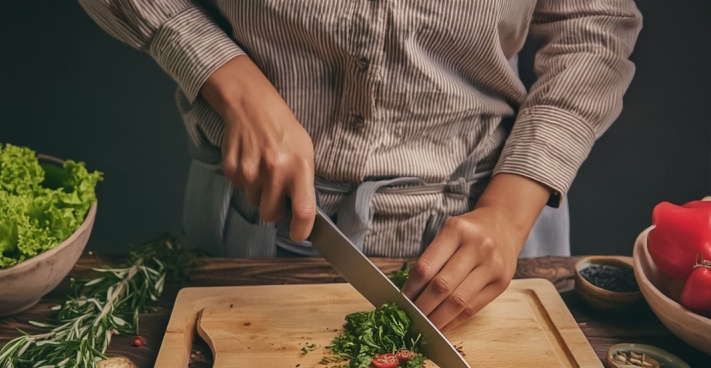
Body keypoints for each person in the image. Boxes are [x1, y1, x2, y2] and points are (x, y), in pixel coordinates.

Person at [79, 0, 642, 331]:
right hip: (257, 208)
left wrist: (506, 213)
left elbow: (595, 25)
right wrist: (225, 74)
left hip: (488, 226)